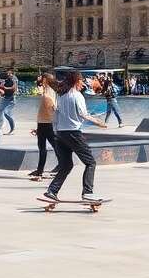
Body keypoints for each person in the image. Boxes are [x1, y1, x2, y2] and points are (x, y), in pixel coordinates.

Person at [43, 70, 109, 203]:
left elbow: (56, 114)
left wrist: (56, 131)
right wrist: (99, 123)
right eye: (81, 81)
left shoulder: (61, 96)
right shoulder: (77, 96)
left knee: (66, 165)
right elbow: (83, 114)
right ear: (76, 81)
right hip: (73, 133)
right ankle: (88, 193)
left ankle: (52, 191)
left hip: (61, 134)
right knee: (90, 162)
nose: (83, 84)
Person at [28, 72, 58, 179]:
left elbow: (53, 108)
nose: (39, 79)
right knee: (43, 147)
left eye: (41, 77)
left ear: (45, 80)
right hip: (42, 123)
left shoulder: (49, 92)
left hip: (47, 123)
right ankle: (40, 170)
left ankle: (62, 165)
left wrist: (53, 122)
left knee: (54, 146)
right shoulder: (47, 91)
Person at [0, 70, 17, 135]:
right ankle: (0, 127)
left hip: (11, 99)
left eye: (10, 74)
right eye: (7, 74)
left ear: (12, 74)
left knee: (6, 113)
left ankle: (12, 129)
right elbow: (3, 91)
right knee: (0, 111)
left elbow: (13, 88)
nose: (8, 75)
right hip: (5, 98)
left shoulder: (14, 79)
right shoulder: (5, 80)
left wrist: (4, 88)